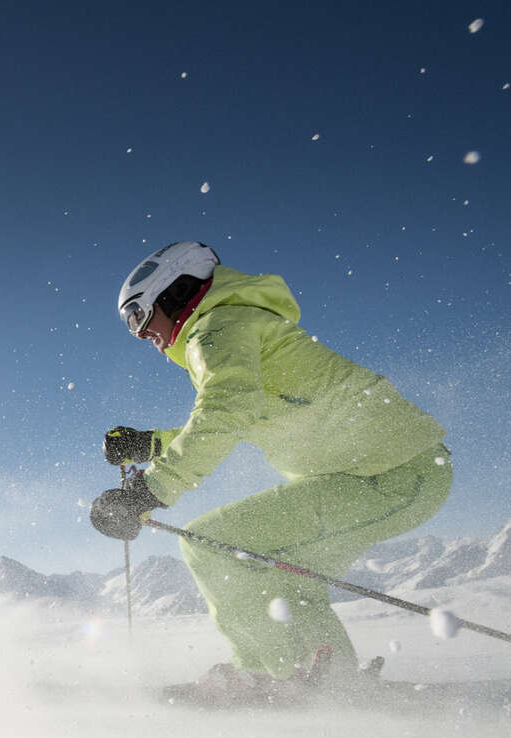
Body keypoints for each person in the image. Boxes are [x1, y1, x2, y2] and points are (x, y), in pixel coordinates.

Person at [90, 242, 450, 703]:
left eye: (138, 316)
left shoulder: (217, 329)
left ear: (175, 294)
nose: (139, 334)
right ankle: (331, 680)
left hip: (393, 475)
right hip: (387, 475)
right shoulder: (234, 326)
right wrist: (150, 443)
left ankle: (268, 676)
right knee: (287, 578)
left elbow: (224, 414)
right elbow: (239, 415)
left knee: (212, 545)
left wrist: (148, 493)